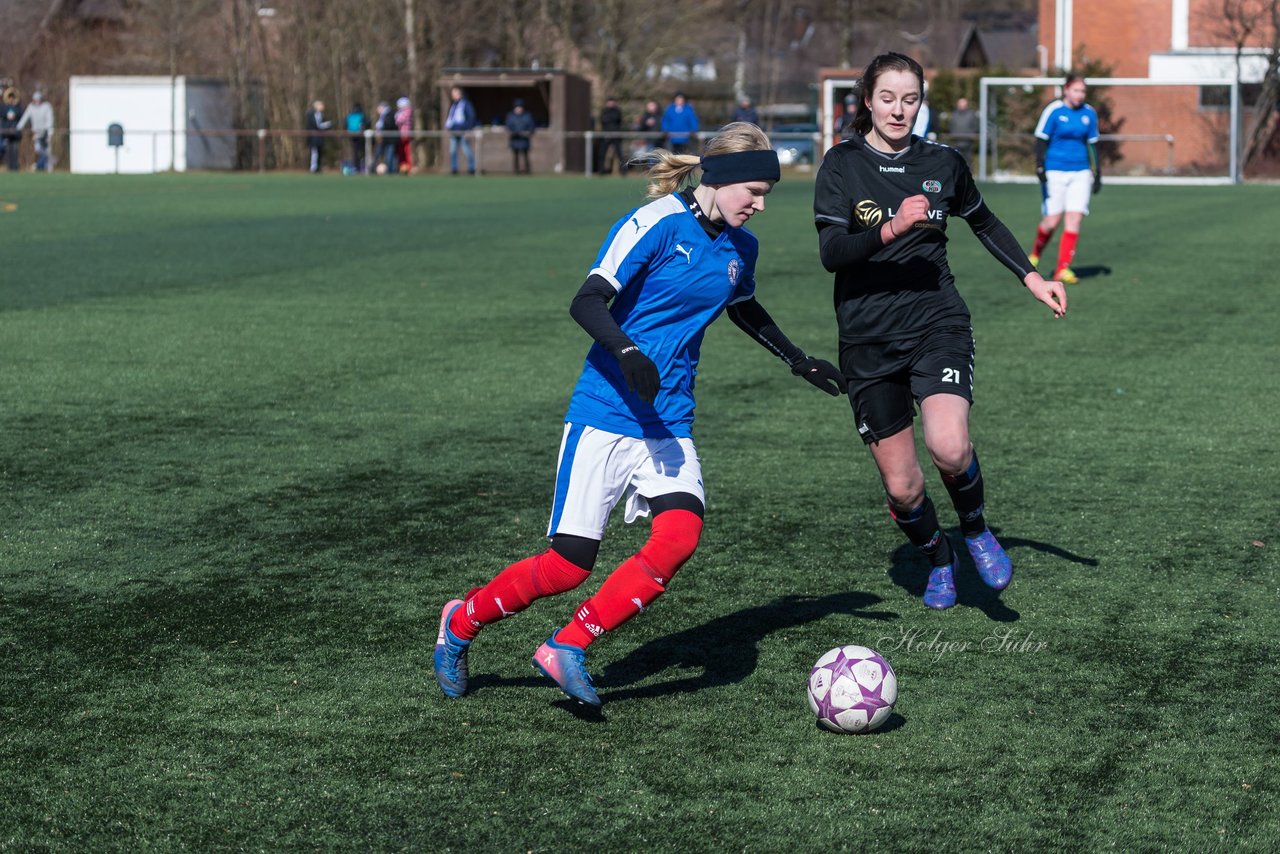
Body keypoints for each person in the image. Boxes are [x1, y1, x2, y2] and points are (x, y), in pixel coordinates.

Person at [434, 122, 846, 707]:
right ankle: (461, 622)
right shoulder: (653, 224)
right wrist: (626, 351)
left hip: (669, 420)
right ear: (719, 177)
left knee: (679, 536)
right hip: (604, 413)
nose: (759, 205)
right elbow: (587, 299)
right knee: (567, 566)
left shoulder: (741, 247)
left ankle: (568, 645)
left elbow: (743, 306)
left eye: (766, 195)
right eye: (752, 191)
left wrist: (798, 360)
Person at [812, 52, 1067, 610]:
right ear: (868, 100)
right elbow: (832, 253)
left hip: (936, 320)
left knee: (949, 447)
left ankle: (974, 529)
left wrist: (1031, 276)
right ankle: (938, 558)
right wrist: (893, 229)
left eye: (910, 99)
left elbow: (983, 220)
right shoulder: (840, 164)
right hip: (867, 338)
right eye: (887, 98)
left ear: (921, 102)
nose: (898, 110)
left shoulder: (944, 162)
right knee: (903, 488)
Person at [1028, 74, 1101, 285]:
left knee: (1075, 218)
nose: (1080, 95)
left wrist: (1099, 172)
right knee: (1052, 221)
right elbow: (1041, 140)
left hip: (1080, 172)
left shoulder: (1089, 113)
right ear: (1066, 89)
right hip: (1055, 171)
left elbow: (1093, 144)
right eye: (1076, 90)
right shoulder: (1053, 111)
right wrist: (1039, 165)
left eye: (1083, 91)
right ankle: (1035, 253)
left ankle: (1062, 269)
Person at [17, 90, 54, 172]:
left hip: (46, 133)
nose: (37, 101)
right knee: (38, 149)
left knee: (48, 151)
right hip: (37, 134)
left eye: (38, 99)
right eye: (35, 99)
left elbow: (49, 119)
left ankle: (46, 168)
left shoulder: (46, 106)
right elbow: (24, 118)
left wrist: (49, 131)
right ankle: (39, 166)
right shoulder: (31, 107)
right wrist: (18, 127)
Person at [445, 86, 477, 175]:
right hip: (453, 131)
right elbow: (450, 118)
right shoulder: (453, 105)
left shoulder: (466, 104)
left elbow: (471, 117)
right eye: (452, 93)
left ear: (460, 94)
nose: (453, 95)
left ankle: (472, 169)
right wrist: (448, 127)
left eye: (455, 93)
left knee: (467, 151)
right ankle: (454, 169)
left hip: (463, 131)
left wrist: (468, 129)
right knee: (453, 151)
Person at [504, 98, 536, 174]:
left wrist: (528, 132)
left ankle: (527, 170)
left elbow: (532, 126)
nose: (519, 109)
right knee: (516, 156)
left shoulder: (527, 116)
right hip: (515, 139)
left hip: (524, 140)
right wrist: (514, 132)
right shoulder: (510, 116)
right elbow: (508, 126)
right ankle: (516, 171)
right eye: (517, 107)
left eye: (520, 107)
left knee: (525, 155)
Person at [597, 96, 627, 175]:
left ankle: (623, 171)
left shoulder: (617, 111)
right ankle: (601, 170)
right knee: (602, 153)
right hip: (606, 135)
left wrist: (609, 118)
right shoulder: (604, 111)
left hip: (616, 135)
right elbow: (603, 120)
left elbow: (617, 119)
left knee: (619, 154)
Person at [948, 96, 979, 167]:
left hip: (968, 142)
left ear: (967, 105)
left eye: (963, 104)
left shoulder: (971, 114)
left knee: (968, 161)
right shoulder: (954, 114)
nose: (962, 105)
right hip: (956, 141)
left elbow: (975, 126)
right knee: (955, 160)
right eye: (960, 104)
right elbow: (951, 126)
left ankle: (968, 176)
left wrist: (971, 135)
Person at [303, 99, 331, 173]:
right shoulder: (311, 114)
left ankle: (318, 167)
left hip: (319, 137)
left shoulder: (321, 114)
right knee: (314, 152)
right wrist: (326, 125)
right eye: (321, 105)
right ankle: (313, 168)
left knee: (320, 152)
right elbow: (316, 125)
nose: (323, 106)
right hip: (313, 137)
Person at [372, 101, 397, 174]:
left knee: (390, 155)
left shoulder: (390, 114)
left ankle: (391, 171)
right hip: (384, 139)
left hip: (390, 139)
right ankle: (374, 168)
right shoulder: (382, 116)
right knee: (382, 154)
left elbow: (389, 126)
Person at [1, 87, 22, 171]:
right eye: (10, 97)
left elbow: (21, 115)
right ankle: (9, 166)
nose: (11, 99)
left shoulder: (18, 107)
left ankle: (15, 166)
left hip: (15, 132)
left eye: (12, 97)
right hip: (6, 132)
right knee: (8, 149)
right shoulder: (4, 107)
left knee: (15, 149)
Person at [345, 102, 368, 174]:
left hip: (352, 135)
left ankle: (356, 167)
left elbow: (345, 125)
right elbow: (367, 124)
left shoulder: (350, 115)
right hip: (360, 136)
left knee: (355, 152)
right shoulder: (362, 115)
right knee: (362, 152)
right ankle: (363, 167)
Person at [394, 96, 413, 173]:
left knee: (406, 151)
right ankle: (402, 167)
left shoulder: (407, 111)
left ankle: (408, 167)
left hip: (405, 134)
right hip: (401, 135)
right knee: (400, 152)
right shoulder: (401, 112)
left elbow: (398, 120)